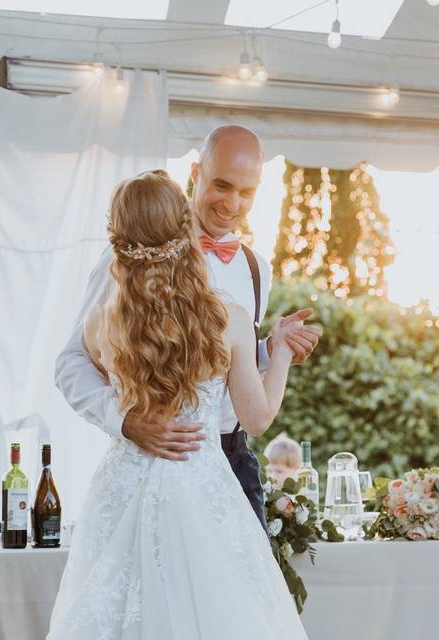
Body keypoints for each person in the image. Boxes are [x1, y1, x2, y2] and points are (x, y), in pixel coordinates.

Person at [48, 170, 308, 639]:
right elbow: (257, 417)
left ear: (118, 238)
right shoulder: (227, 317)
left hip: (122, 485)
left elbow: (111, 363)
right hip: (202, 481)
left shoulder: (103, 323)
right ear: (185, 226)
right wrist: (282, 353)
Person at [55, 125, 321, 527]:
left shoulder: (256, 269)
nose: (232, 204)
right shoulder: (128, 261)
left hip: (232, 461)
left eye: (246, 192)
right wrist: (124, 421)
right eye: (222, 185)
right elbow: (71, 361)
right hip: (154, 458)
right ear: (195, 172)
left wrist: (272, 347)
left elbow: (227, 361)